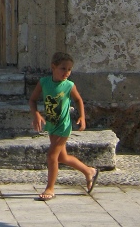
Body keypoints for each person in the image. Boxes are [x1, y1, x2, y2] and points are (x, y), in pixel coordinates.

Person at [29, 51, 99, 201]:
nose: (66, 72)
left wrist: (82, 117)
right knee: (63, 157)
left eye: (69, 69)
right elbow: (33, 100)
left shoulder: (69, 85)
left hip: (63, 126)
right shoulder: (44, 82)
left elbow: (78, 100)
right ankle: (89, 171)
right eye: (63, 68)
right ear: (53, 67)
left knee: (51, 156)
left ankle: (50, 188)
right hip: (52, 125)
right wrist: (36, 114)